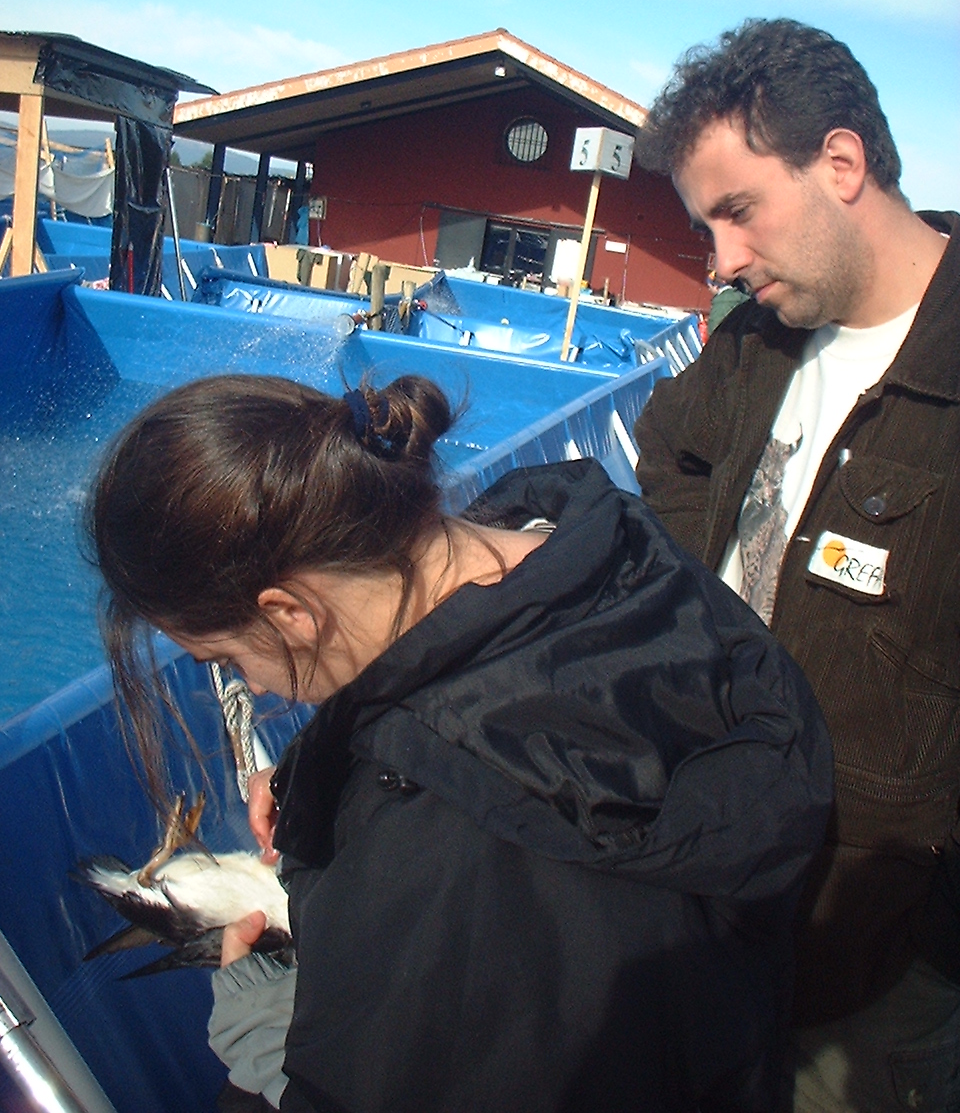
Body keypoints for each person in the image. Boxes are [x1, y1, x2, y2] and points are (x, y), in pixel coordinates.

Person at [88, 371, 832, 1113]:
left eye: (225, 659)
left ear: (289, 613)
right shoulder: (611, 558)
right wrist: (336, 766)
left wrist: (272, 1056)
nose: (253, 688)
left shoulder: (440, 849)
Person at [631, 17, 960, 1112]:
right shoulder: (752, 342)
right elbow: (667, 457)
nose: (721, 260)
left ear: (842, 163)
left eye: (738, 211)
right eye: (705, 226)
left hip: (867, 978)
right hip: (708, 906)